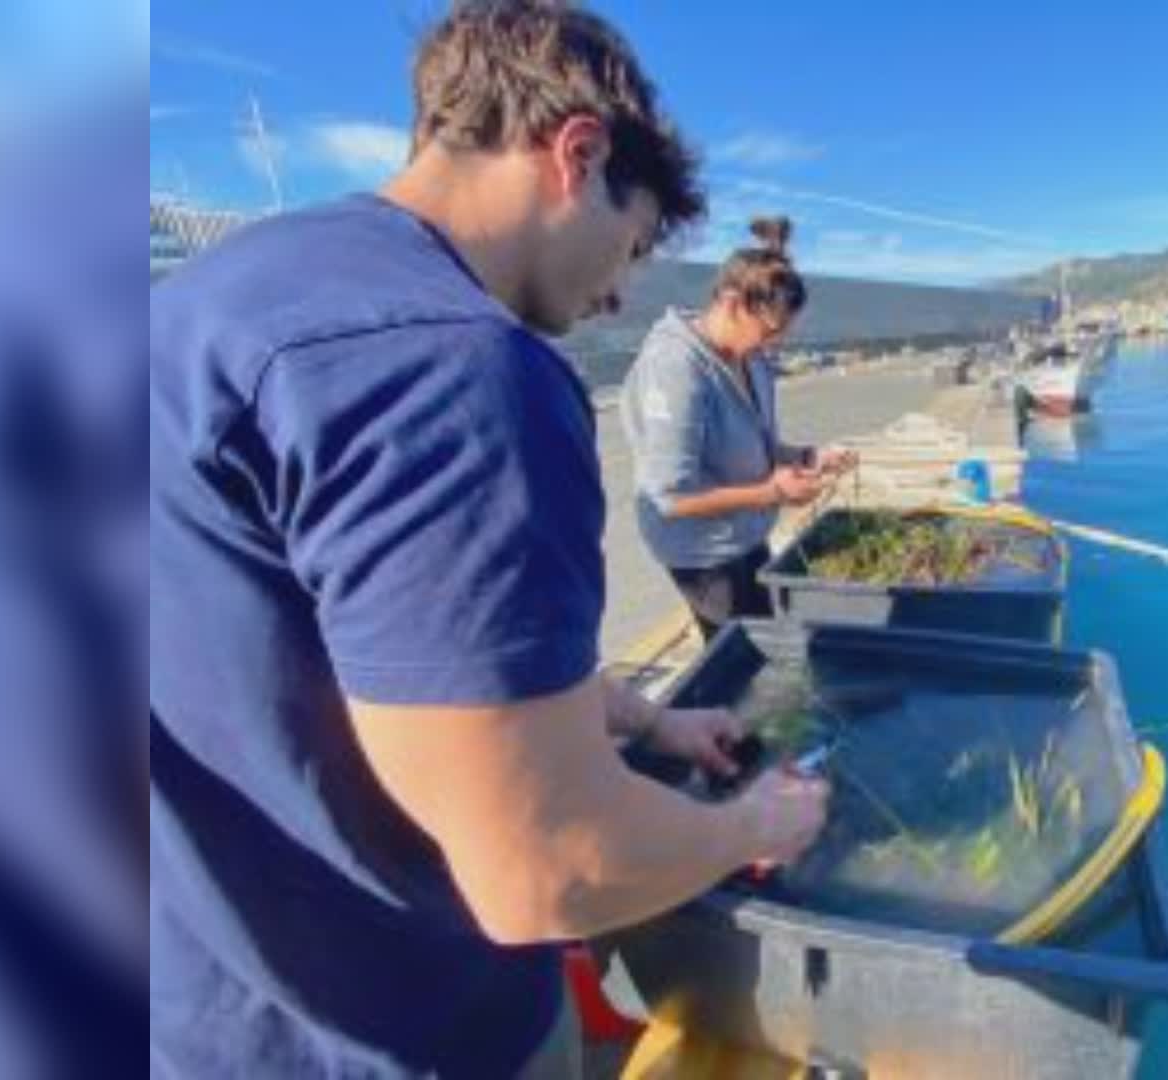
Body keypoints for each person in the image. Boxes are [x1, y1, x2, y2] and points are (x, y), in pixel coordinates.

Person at [149, 4, 829, 1076]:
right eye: (634, 244)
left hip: (198, 1012)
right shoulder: (456, 370)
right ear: (578, 153)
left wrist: (646, 721)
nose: (617, 292)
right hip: (409, 1032)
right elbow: (548, 868)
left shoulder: (205, 302)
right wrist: (755, 828)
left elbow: (359, 651)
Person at [621, 217, 858, 639]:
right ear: (731, 304)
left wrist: (809, 456)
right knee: (746, 655)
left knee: (771, 634)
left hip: (747, 530)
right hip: (704, 553)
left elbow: (762, 445)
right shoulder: (675, 367)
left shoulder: (751, 358)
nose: (774, 345)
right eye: (770, 331)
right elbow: (672, 497)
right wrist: (773, 492)